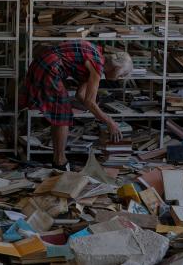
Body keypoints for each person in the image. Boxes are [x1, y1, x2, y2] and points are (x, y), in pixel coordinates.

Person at [22, 40, 133, 171]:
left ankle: (58, 159)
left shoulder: (97, 56)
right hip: (50, 66)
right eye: (122, 75)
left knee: (61, 112)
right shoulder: (97, 67)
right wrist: (110, 122)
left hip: (43, 61)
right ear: (116, 68)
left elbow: (80, 95)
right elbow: (89, 102)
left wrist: (94, 110)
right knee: (63, 115)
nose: (120, 79)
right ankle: (60, 162)